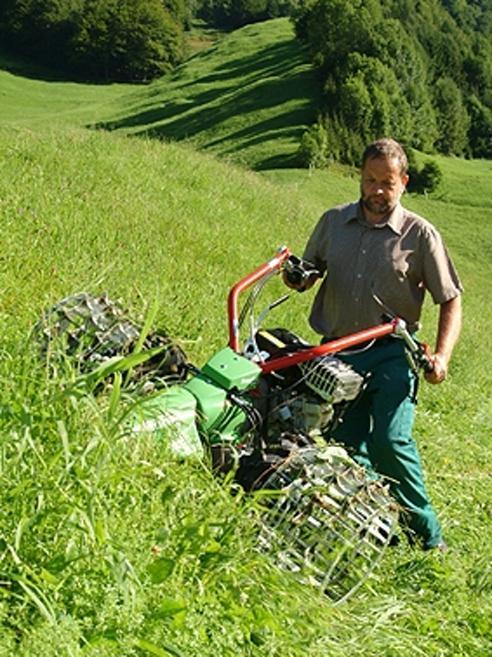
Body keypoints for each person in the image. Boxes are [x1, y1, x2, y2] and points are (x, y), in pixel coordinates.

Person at [286, 138, 462, 551]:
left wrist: (442, 356)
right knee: (347, 445)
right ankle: (375, 526)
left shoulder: (420, 235)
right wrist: (299, 277)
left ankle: (428, 538)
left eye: (387, 182)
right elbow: (310, 271)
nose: (377, 190)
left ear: (404, 182)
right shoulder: (333, 222)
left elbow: (450, 298)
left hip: (391, 353)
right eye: (370, 180)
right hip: (337, 353)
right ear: (360, 178)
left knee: (389, 440)